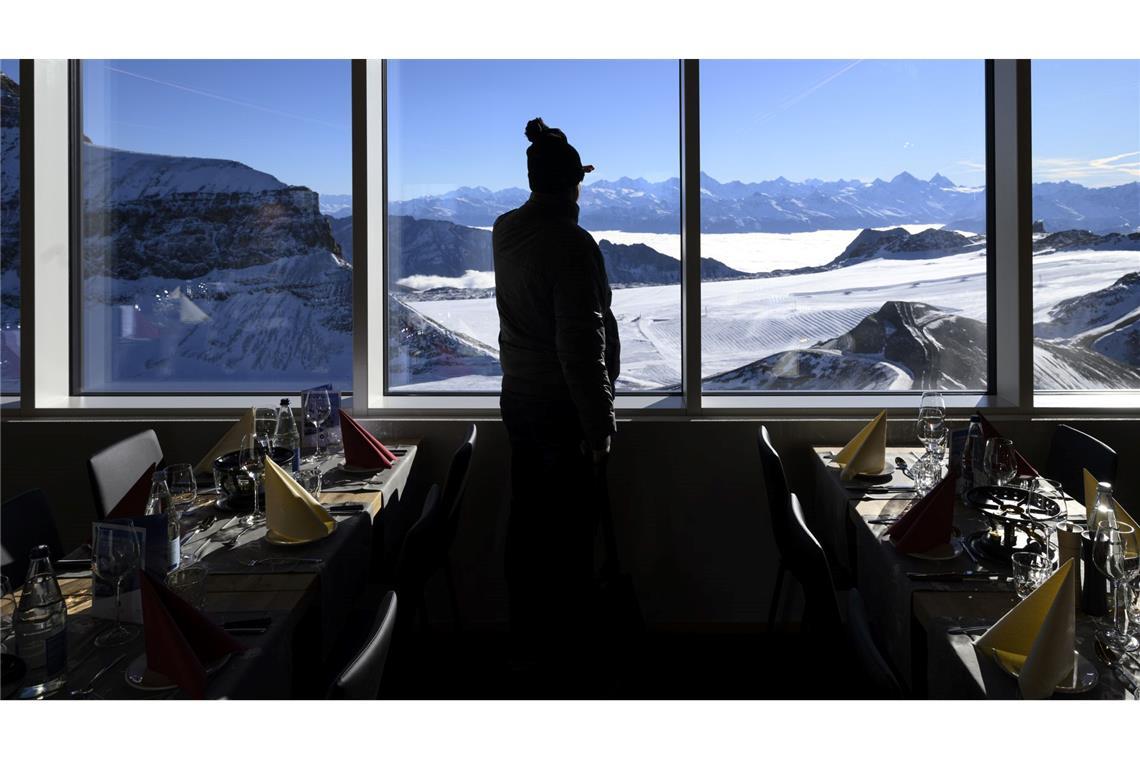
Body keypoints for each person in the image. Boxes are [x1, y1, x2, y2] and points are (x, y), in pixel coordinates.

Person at [494, 117, 620, 686]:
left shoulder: (505, 230)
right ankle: (569, 661)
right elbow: (580, 345)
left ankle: (527, 646)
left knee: (528, 528)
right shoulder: (571, 244)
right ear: (575, 185)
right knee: (570, 538)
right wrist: (599, 426)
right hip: (561, 409)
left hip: (519, 399)